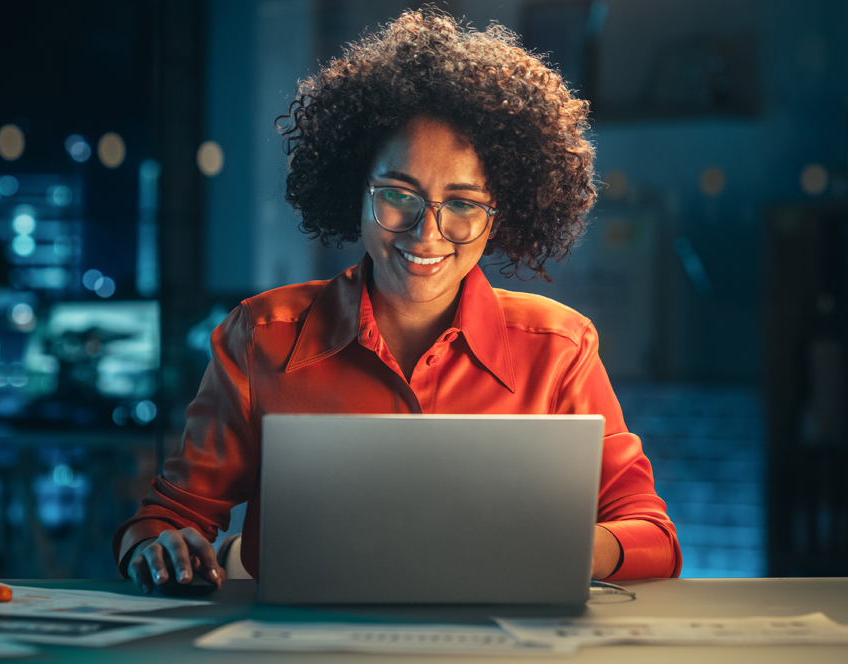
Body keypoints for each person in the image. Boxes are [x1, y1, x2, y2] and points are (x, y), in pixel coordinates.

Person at [114, 9, 682, 594]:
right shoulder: (262, 337)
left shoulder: (560, 349)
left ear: (499, 215)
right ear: (355, 193)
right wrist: (162, 547)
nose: (426, 233)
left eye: (462, 203)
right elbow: (165, 519)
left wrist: (575, 550)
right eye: (397, 195)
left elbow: (653, 535)